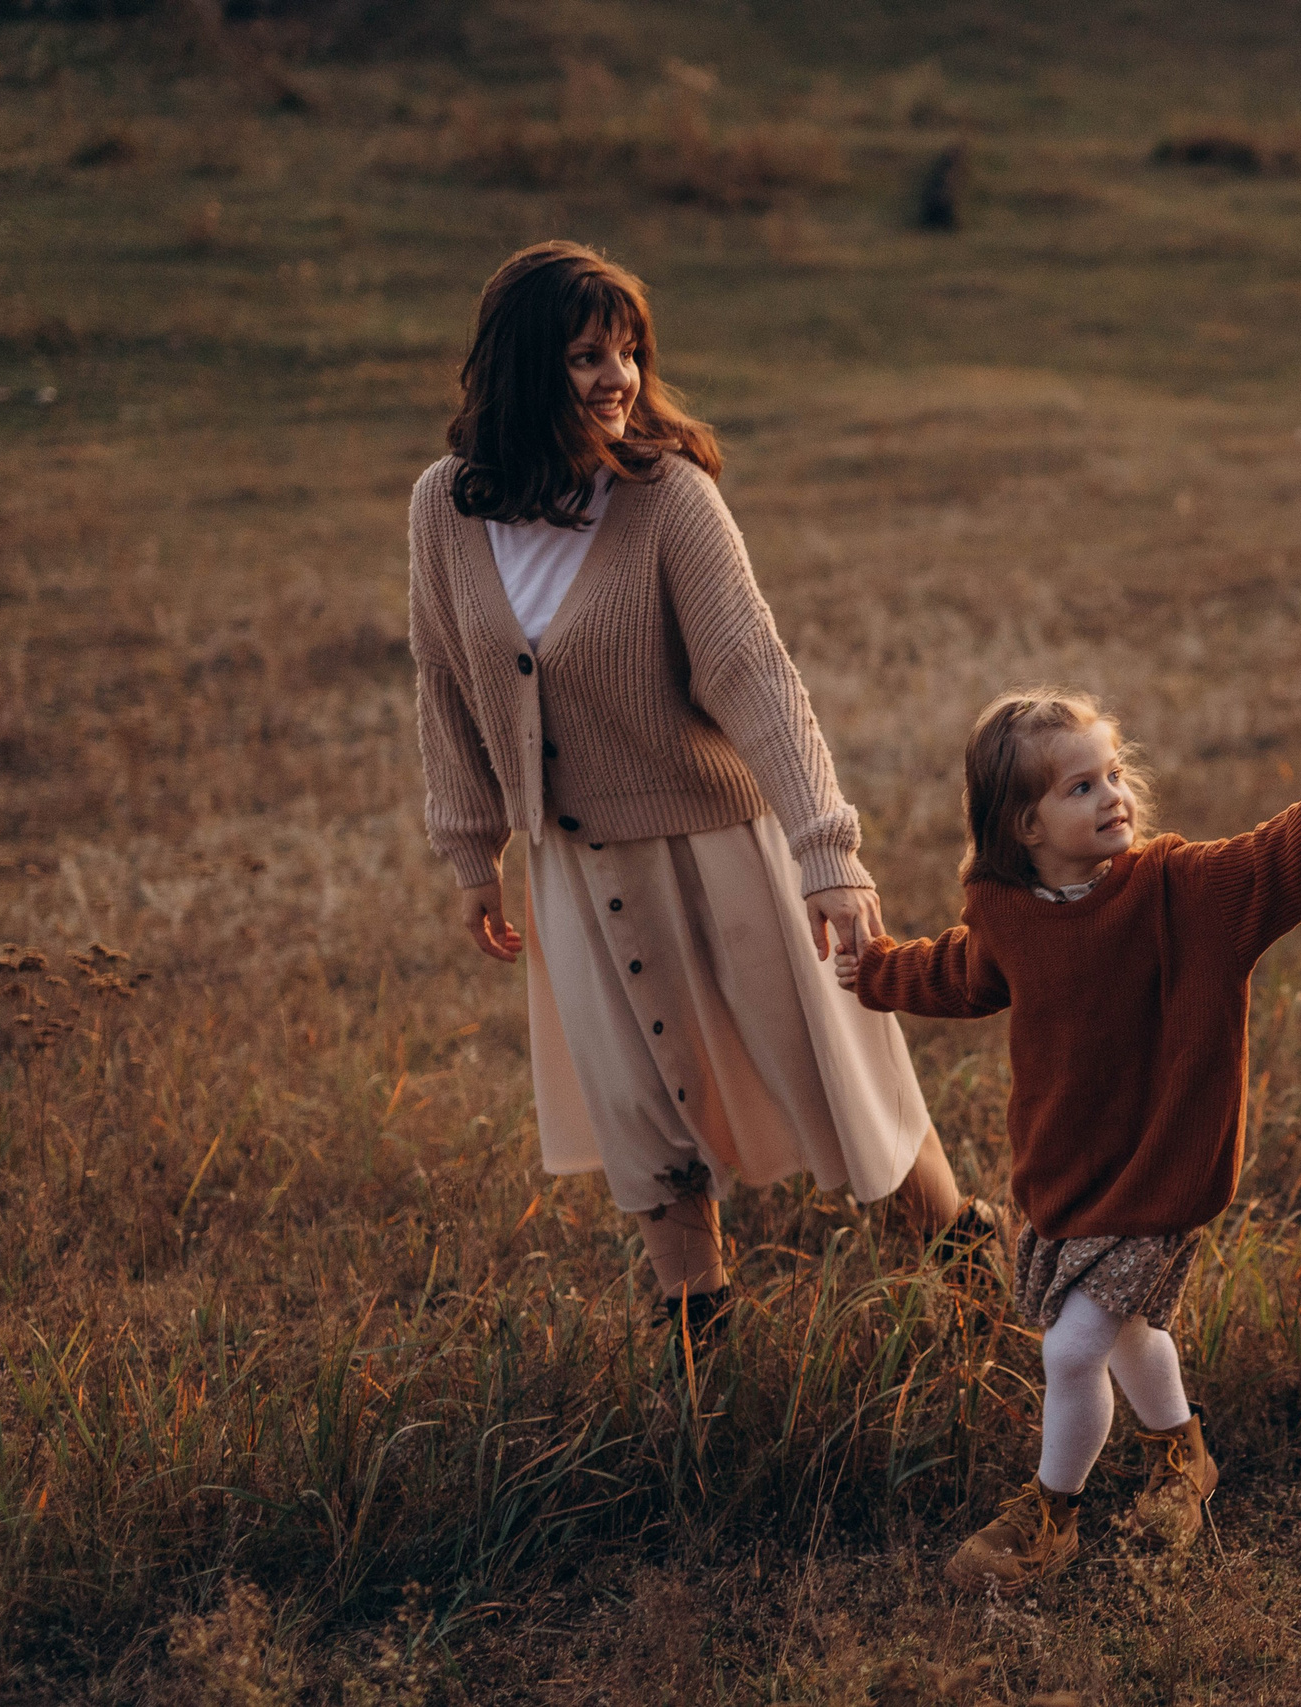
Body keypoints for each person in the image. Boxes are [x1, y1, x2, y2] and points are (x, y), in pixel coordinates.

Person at [408, 242, 992, 1339]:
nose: (616, 379)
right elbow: (442, 679)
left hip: (719, 847)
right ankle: (699, 1365)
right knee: (641, 1113)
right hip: (573, 869)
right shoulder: (445, 508)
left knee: (835, 1085)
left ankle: (974, 1286)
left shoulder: (667, 498)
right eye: (586, 355)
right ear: (523, 365)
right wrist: (468, 850)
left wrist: (828, 853)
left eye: (628, 352)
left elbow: (755, 675)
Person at [834, 690, 1301, 1588]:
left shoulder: (1181, 890)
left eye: (1113, 774)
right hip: (1068, 1173)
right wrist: (875, 969)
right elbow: (958, 971)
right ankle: (1182, 1454)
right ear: (1024, 824)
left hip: (1160, 1168)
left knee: (1071, 1347)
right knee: (1124, 1337)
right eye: (1082, 787)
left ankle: (1050, 1513)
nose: (1114, 794)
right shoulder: (1009, 913)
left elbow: (1275, 856)